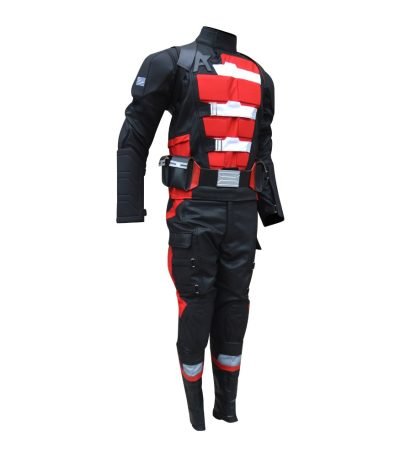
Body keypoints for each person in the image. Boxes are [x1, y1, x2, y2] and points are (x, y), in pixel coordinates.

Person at [116, 26, 284, 431]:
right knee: (196, 304)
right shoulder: (171, 63)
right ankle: (196, 417)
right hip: (193, 209)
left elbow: (262, 150)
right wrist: (129, 207)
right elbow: (134, 135)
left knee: (235, 308)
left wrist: (270, 210)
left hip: (242, 211)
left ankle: (227, 408)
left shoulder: (261, 76)